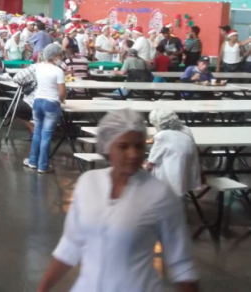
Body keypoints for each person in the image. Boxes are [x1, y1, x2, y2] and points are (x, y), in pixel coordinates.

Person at [37, 109, 198, 292]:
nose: (133, 154)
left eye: (139, 146)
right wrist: (43, 288)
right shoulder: (89, 183)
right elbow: (71, 245)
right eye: (123, 146)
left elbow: (182, 265)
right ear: (108, 147)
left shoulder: (160, 195)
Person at [24, 43, 65, 174]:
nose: (61, 57)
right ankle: (43, 165)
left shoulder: (39, 67)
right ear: (54, 56)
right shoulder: (58, 71)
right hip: (51, 104)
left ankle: (32, 161)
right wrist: (62, 100)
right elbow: (62, 92)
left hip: (37, 102)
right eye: (60, 54)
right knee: (46, 136)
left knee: (37, 133)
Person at [146, 110, 202, 197]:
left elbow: (151, 163)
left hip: (170, 179)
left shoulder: (162, 136)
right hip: (187, 176)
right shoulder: (186, 129)